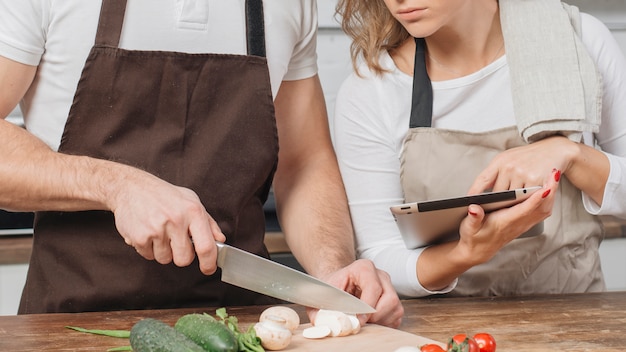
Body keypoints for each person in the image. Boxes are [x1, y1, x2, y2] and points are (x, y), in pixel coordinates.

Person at [0, 0, 404, 326]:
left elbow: (304, 162)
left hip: (242, 326)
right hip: (73, 325)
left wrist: (332, 272)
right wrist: (117, 185)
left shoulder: (290, 5)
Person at [333, 0, 626, 297]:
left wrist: (573, 155)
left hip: (580, 330)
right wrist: (464, 253)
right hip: (446, 339)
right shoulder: (372, 90)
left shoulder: (579, 40)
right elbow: (380, 258)